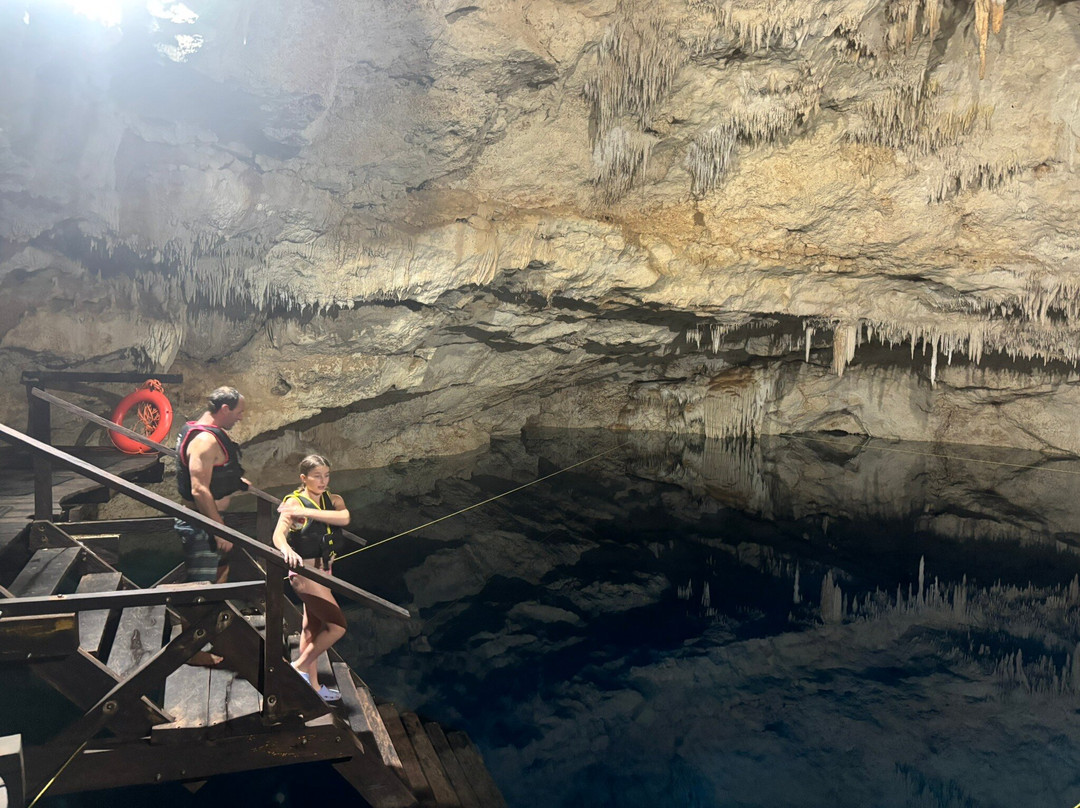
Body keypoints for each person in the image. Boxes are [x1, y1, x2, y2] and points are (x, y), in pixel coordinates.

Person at [272, 454, 349, 702]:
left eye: (326, 475)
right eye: (317, 476)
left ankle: (313, 688)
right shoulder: (293, 502)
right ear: (304, 478)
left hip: (325, 571)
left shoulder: (333, 500)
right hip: (305, 574)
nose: (323, 481)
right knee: (337, 627)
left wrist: (305, 511)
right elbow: (278, 535)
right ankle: (299, 668)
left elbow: (344, 518)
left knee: (310, 630)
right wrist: (286, 549)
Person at [175, 386, 248, 584]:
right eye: (238, 412)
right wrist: (219, 531)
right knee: (202, 587)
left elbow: (214, 473)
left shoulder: (205, 433)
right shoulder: (205, 441)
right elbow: (199, 489)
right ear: (225, 409)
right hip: (202, 524)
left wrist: (236, 483)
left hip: (210, 521)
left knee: (219, 575)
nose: (240, 417)